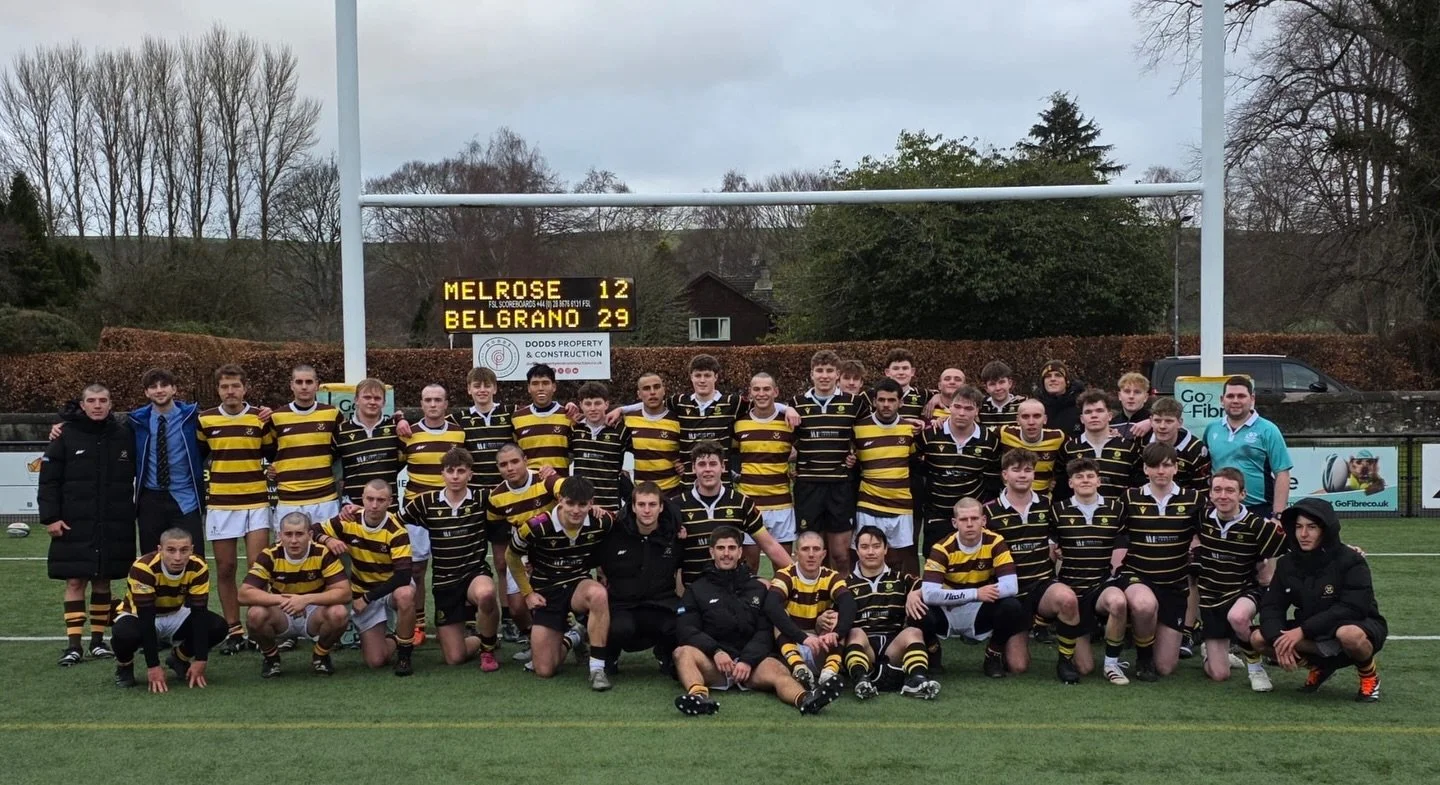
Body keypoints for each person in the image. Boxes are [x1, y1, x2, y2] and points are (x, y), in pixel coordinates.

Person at [672, 526, 843, 716]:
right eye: (721, 548)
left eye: (731, 548)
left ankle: (807, 699)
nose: (726, 554)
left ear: (740, 552)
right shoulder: (696, 589)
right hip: (715, 663)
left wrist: (747, 660)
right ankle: (699, 697)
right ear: (712, 552)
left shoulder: (758, 588)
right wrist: (716, 651)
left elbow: (765, 631)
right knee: (682, 653)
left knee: (777, 669)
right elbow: (686, 629)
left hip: (752, 665)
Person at [39, 383, 137, 666]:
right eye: (91, 401)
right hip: (73, 522)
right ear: (82, 405)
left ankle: (97, 641)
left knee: (103, 579)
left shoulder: (123, 435)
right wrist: (51, 517)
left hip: (113, 522)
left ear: (110, 404)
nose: (97, 405)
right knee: (74, 579)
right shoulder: (64, 435)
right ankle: (73, 645)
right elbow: (49, 481)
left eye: (102, 400)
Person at [1253, 497, 1385, 702]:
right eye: (1298, 527)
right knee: (1259, 639)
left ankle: (1369, 676)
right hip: (1313, 629)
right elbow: (1271, 606)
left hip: (1357, 624)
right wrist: (1278, 639)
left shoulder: (1351, 560)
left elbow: (1353, 608)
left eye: (1311, 527)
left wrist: (1302, 631)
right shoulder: (1287, 563)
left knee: (1348, 634)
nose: (1303, 534)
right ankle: (1319, 666)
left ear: (1325, 530)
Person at [196, 364, 276, 655]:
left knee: (258, 567)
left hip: (255, 502)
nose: (230, 391)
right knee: (226, 567)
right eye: (224, 387)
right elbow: (200, 455)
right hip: (221, 503)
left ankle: (257, 627)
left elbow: (273, 453)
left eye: (235, 386)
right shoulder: (204, 419)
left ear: (245, 388)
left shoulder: (260, 417)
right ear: (218, 389)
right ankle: (234, 630)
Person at [983, 448, 1082, 683]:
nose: (1022, 475)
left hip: (1041, 585)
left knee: (1067, 598)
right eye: (1016, 470)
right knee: (1018, 666)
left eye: (1028, 470)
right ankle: (1003, 643)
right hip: (1010, 592)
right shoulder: (988, 510)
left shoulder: (1047, 505)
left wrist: (1055, 545)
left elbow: (1060, 534)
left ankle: (1065, 661)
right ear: (1004, 474)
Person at [506, 476, 614, 690]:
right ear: (560, 500)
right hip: (547, 593)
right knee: (544, 670)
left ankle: (597, 669)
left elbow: (631, 524)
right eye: (571, 503)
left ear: (591, 503)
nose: (576, 510)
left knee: (599, 594)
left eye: (583, 504)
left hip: (577, 585)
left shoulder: (603, 521)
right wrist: (527, 593)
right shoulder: (536, 526)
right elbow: (511, 556)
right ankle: (573, 637)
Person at [401, 448, 500, 670]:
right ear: (442, 474)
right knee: (455, 658)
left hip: (474, 572)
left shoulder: (483, 497)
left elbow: (515, 501)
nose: (455, 476)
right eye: (450, 471)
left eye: (461, 471)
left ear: (470, 475)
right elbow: (396, 522)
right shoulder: (425, 502)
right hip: (444, 581)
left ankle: (488, 649)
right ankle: (480, 639)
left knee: (486, 594)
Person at [1119, 442, 1203, 681]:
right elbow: (1114, 535)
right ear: (1145, 469)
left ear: (1176, 468)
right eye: (1154, 466)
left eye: (1166, 466)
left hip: (1174, 584)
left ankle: (1147, 635)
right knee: (1144, 605)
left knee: (1166, 667)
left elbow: (1202, 536)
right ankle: (1143, 657)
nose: (1160, 471)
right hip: (1139, 575)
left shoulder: (1193, 498)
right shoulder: (1130, 497)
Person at [316, 479, 418, 676]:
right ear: (362, 499)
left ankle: (405, 655)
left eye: (380, 500)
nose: (374, 505)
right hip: (362, 587)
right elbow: (313, 530)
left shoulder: (396, 529)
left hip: (389, 587)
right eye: (370, 499)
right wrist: (328, 539)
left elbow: (403, 576)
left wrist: (367, 598)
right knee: (376, 661)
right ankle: (395, 638)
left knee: (405, 594)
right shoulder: (349, 520)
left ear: (390, 501)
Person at [1197, 468, 1286, 692]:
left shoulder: (1258, 525)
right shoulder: (1201, 519)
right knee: (1219, 674)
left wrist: (1346, 549)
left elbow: (1300, 544)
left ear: (1242, 494)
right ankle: (1211, 651)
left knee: (1237, 617)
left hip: (1244, 591)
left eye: (1230, 490)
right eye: (1217, 490)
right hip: (1210, 598)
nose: (1223, 495)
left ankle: (1255, 669)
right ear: (1210, 494)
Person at [110, 528, 227, 691]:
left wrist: (201, 659)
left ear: (192, 550)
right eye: (171, 550)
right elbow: (146, 618)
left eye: (184, 550)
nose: (178, 557)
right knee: (124, 633)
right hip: (139, 615)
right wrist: (153, 667)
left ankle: (179, 658)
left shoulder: (198, 566)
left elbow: (199, 613)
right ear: (160, 550)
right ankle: (124, 666)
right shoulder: (143, 567)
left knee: (217, 626)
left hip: (175, 613)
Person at [922, 498, 1027, 678]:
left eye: (974, 518)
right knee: (918, 611)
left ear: (983, 521)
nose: (969, 524)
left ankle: (993, 655)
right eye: (963, 520)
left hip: (979, 610)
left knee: (1012, 606)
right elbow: (929, 594)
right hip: (948, 609)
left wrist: (978, 596)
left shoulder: (995, 542)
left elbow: (1011, 586)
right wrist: (975, 594)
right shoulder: (941, 548)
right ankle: (933, 652)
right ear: (955, 523)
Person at [239, 512, 352, 678]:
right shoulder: (269, 554)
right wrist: (283, 600)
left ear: (310, 535)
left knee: (339, 613)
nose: (293, 540)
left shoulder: (322, 553)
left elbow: (345, 593)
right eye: (288, 534)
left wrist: (305, 599)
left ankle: (320, 655)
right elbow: (243, 594)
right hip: (281, 611)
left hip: (314, 612)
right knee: (255, 614)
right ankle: (271, 659)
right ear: (280, 535)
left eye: (299, 534)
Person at [1049, 458, 1132, 685]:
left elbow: (1124, 542)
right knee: (1084, 668)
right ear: (1070, 482)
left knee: (1118, 602)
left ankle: (1112, 665)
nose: (1085, 480)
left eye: (1090, 476)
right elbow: (1051, 550)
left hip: (1101, 584)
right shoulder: (1057, 510)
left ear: (1098, 480)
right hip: (1072, 590)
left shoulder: (1116, 508)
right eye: (1079, 476)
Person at [790, 350, 870, 573]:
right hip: (808, 486)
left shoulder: (854, 403)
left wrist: (854, 453)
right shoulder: (796, 403)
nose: (824, 376)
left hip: (840, 487)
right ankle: (813, 600)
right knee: (812, 553)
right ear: (811, 374)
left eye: (829, 371)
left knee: (841, 555)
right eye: (819, 371)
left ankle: (843, 601)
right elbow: (787, 441)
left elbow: (867, 434)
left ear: (837, 374)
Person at [835, 526, 937, 700]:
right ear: (857, 550)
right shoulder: (844, 584)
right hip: (864, 647)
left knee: (914, 632)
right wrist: (823, 618)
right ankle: (861, 680)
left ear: (885, 549)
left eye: (876, 546)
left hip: (893, 646)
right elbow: (830, 614)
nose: (871, 552)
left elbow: (931, 587)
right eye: (865, 547)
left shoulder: (901, 579)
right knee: (855, 632)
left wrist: (915, 593)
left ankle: (917, 680)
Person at [399, 382, 466, 643]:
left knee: (452, 569)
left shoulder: (460, 434)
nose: (433, 404)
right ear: (421, 403)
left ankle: (453, 620)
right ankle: (417, 624)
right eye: (428, 400)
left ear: (446, 404)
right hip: (417, 514)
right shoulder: (408, 434)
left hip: (450, 512)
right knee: (416, 570)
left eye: (438, 400)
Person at [595, 482, 683, 674]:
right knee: (619, 628)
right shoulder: (613, 534)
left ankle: (666, 655)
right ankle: (609, 656)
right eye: (641, 505)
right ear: (633, 507)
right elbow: (588, 557)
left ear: (661, 507)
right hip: (623, 605)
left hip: (660, 604)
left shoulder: (673, 535)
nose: (646, 510)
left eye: (652, 505)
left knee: (681, 622)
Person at [486, 442, 565, 657]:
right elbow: (496, 527)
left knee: (559, 599)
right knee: (517, 607)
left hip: (554, 549)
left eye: (514, 462)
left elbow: (569, 495)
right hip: (521, 550)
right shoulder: (496, 497)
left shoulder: (545, 479)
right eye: (503, 464)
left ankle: (572, 636)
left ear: (525, 461)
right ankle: (533, 641)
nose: (509, 468)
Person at [675, 441, 792, 584]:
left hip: (734, 589)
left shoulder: (740, 502)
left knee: (765, 586)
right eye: (701, 464)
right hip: (695, 591)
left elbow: (769, 545)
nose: (707, 469)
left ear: (723, 467)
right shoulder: (677, 505)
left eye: (713, 464)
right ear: (693, 468)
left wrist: (798, 575)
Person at [916, 384, 1002, 555]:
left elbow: (992, 482)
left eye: (968, 408)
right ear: (950, 407)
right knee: (935, 562)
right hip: (937, 513)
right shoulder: (929, 434)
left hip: (971, 517)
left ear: (977, 410)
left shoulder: (989, 440)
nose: (961, 413)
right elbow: (917, 468)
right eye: (957, 406)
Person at [131, 367, 205, 557]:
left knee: (194, 559)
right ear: (146, 392)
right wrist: (66, 424)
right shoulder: (136, 421)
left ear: (174, 389)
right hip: (150, 499)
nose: (159, 390)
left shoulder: (193, 418)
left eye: (164, 385)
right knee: (151, 560)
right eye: (153, 387)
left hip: (185, 497)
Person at [770, 530, 856, 687]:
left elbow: (848, 603)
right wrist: (803, 637)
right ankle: (800, 669)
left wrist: (836, 632)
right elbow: (771, 605)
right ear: (796, 554)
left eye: (816, 549)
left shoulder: (831, 576)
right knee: (778, 616)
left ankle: (829, 672)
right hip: (791, 646)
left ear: (823, 555)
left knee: (837, 618)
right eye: (805, 549)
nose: (811, 554)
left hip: (820, 645)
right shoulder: (786, 575)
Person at [1203, 375, 1293, 521]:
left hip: (1258, 509)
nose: (1235, 401)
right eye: (1230, 396)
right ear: (1222, 400)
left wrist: (1278, 515)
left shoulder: (1268, 430)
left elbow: (1282, 473)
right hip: (1220, 509)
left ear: (1252, 399)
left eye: (1241, 396)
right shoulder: (1212, 429)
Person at [854, 378, 920, 574]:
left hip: (901, 506)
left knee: (900, 560)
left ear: (900, 402)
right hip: (869, 505)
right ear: (874, 401)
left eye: (891, 400)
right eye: (881, 400)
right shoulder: (858, 429)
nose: (886, 405)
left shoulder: (910, 430)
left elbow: (915, 462)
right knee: (868, 560)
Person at [269, 364, 344, 531]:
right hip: (289, 500)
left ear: (317, 384)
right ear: (292, 385)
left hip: (324, 499)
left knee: (328, 552)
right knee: (289, 553)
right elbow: (271, 452)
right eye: (299, 382)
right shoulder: (277, 417)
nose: (304, 386)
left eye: (309, 382)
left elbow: (341, 450)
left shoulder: (332, 414)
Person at [734, 372, 797, 566]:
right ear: (750, 393)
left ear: (776, 392)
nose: (762, 394)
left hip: (782, 507)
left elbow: (806, 450)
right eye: (757, 389)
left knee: (784, 569)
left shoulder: (789, 423)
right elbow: (728, 456)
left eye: (767, 389)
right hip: (749, 505)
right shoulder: (739, 424)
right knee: (749, 569)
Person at [1055, 389, 1140, 502]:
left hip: (1118, 516)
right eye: (1088, 412)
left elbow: (1136, 488)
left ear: (1109, 416)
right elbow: (1061, 490)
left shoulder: (1128, 448)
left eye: (1099, 411)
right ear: (1082, 419)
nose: (1094, 415)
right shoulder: (1069, 449)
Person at [334, 377, 404, 509]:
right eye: (367, 397)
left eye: (377, 398)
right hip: (351, 510)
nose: (372, 402)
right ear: (356, 400)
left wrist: (401, 419)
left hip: (388, 510)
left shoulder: (395, 428)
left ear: (384, 402)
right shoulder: (341, 431)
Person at [569, 381, 629, 512]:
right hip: (581, 507)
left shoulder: (620, 430)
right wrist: (567, 408)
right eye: (588, 404)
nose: (592, 408)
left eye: (597, 403)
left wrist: (622, 410)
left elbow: (648, 408)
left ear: (606, 404)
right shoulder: (574, 430)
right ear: (580, 405)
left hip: (611, 508)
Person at [623, 372, 684, 496]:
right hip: (642, 495)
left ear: (663, 390)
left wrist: (684, 464)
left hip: (672, 493)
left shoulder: (678, 420)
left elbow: (689, 451)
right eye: (646, 388)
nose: (652, 392)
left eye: (656, 387)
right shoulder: (628, 420)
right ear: (639, 394)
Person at [456, 366, 516, 493]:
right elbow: (432, 422)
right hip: (475, 491)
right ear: (469, 389)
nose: (482, 390)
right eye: (477, 386)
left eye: (487, 386)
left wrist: (569, 406)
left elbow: (538, 412)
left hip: (507, 490)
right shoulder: (459, 419)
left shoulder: (511, 412)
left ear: (494, 389)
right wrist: (401, 420)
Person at [512, 363, 571, 472]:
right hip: (529, 486)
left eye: (545, 383)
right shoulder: (517, 418)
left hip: (560, 484)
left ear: (554, 387)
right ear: (529, 388)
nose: (540, 388)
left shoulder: (568, 415)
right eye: (535, 384)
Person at [998, 399, 1066, 494]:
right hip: (1011, 498)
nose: (1031, 422)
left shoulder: (1058, 437)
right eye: (1025, 416)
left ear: (1045, 419)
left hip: (1043, 500)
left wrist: (1056, 478)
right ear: (1017, 420)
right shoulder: (1004, 433)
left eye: (1037, 416)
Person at [1146, 397, 1211, 494]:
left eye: (1169, 421)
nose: (1162, 426)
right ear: (1150, 421)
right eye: (1157, 421)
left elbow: (1202, 490)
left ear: (1180, 423)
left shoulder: (1196, 450)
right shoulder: (1141, 441)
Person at [1034, 360, 1085, 438]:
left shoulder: (1081, 405)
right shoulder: (1035, 407)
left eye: (1058, 375)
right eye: (1048, 376)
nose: (1053, 379)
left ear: (1066, 381)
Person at [978, 360, 1025, 430]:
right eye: (992, 384)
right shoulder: (980, 407)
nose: (998, 388)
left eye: (1001, 382)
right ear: (986, 388)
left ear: (1010, 383)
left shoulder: (1023, 405)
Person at [1111, 372, 1153, 439]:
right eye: (1127, 391)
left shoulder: (1155, 423)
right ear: (1119, 396)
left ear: (1145, 397)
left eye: (1137, 392)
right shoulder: (1111, 424)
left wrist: (1152, 423)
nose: (1131, 396)